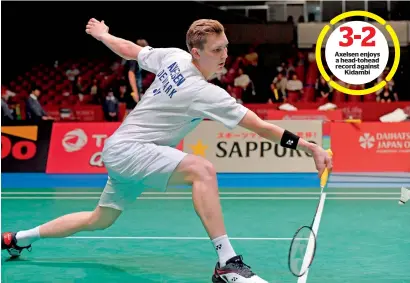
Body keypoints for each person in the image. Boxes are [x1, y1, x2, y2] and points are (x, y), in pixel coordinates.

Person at [2, 18, 332, 283]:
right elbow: (260, 126)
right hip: (133, 150)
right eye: (217, 50)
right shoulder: (204, 91)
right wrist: (308, 147)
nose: (225, 56)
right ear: (197, 52)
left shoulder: (173, 57)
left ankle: (17, 237)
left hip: (124, 151)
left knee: (98, 220)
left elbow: (131, 50)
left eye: (226, 48)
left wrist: (104, 34)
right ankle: (228, 263)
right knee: (202, 170)